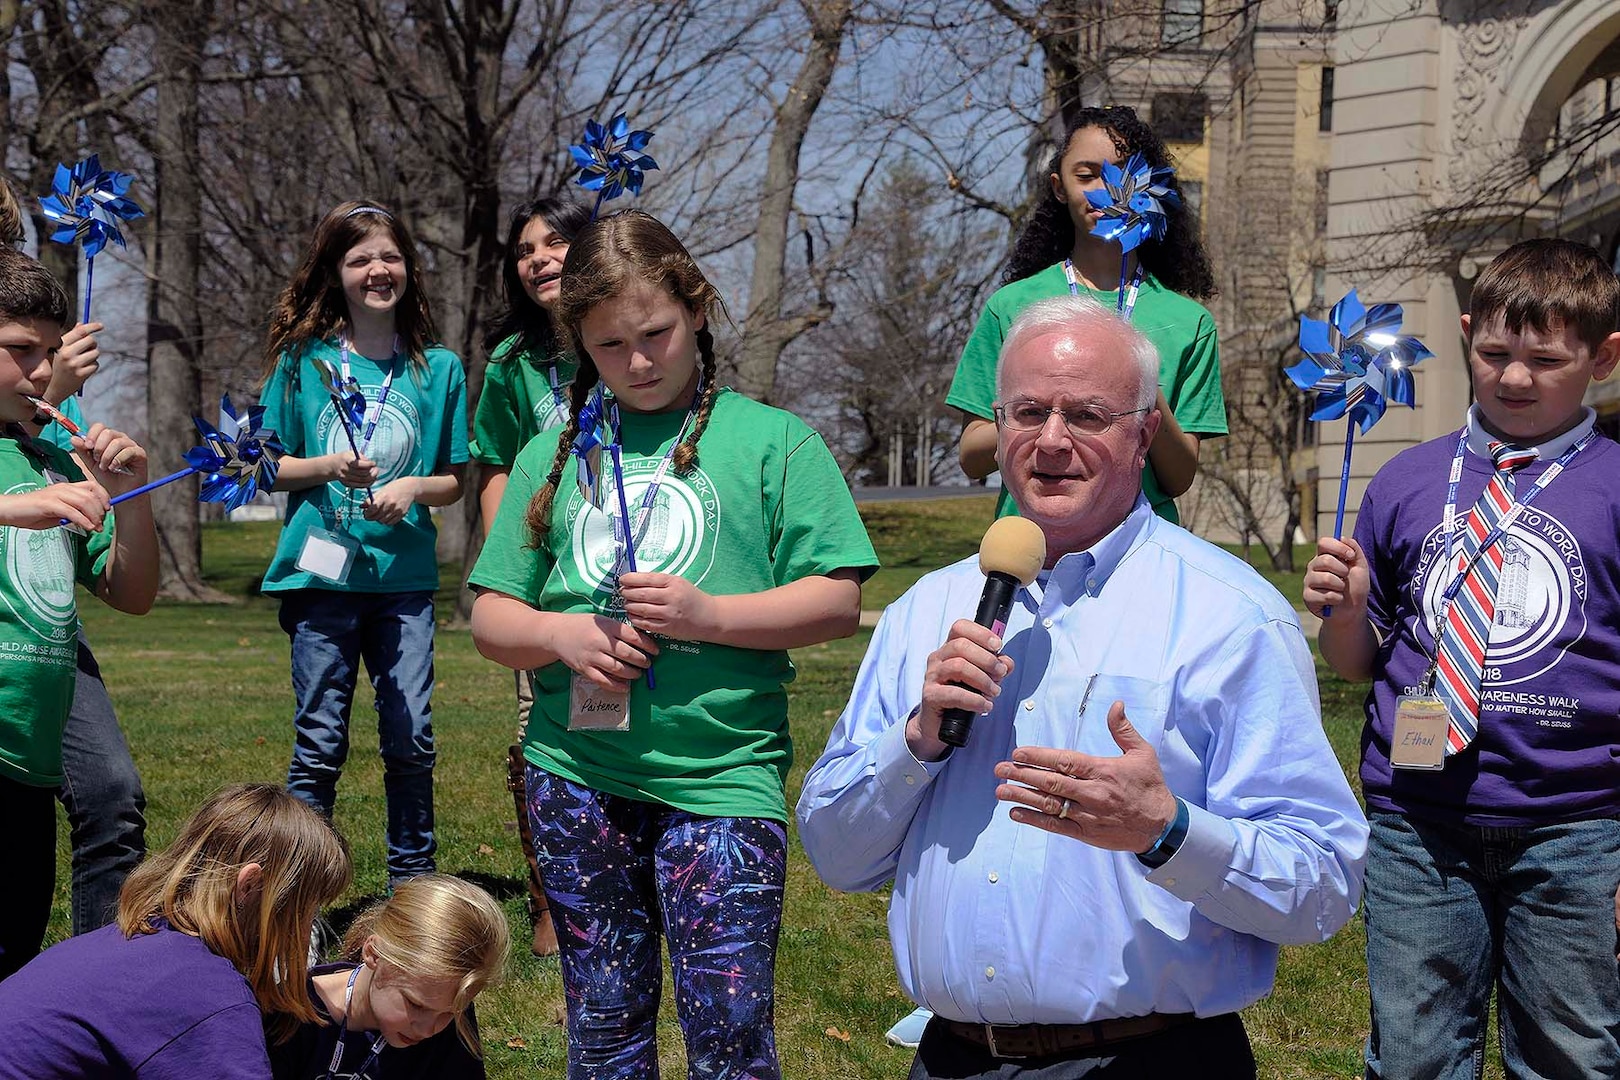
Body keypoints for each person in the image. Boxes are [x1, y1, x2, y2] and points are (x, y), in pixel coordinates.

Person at [799, 293, 1367, 1077]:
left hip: (1150, 1061)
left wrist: (1166, 832)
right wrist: (916, 742)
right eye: (1028, 412)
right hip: (952, 1061)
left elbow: (1324, 888)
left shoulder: (1230, 619)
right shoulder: (924, 611)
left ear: (1144, 435)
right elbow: (833, 857)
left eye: (1088, 415)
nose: (1052, 441)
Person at [469, 209, 878, 1079]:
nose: (640, 362)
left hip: (721, 780)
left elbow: (838, 599)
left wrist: (709, 615)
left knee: (729, 1034)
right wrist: (559, 633)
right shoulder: (556, 450)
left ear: (696, 309)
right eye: (611, 345)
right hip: (577, 778)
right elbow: (490, 620)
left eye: (655, 333)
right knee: (604, 1028)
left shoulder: (773, 442)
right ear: (580, 342)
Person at [1304, 238, 1620, 1079]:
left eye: (1546, 360)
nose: (1516, 379)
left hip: (1578, 827)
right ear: (1469, 335)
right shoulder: (1407, 478)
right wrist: (1343, 609)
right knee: (1412, 1050)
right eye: (1495, 353)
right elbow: (1359, 665)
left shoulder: (1617, 486)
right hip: (1419, 822)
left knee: (1573, 1051)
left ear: (1603, 358)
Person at [258, 200, 468, 888]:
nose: (377, 270)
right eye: (359, 260)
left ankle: (413, 891)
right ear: (336, 273)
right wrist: (326, 468)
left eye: (389, 257)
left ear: (407, 266)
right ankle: (301, 898)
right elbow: (263, 464)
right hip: (321, 582)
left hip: (401, 584)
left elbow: (452, 481)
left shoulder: (438, 369)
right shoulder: (304, 363)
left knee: (411, 741)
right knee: (320, 744)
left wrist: (409, 489)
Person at [947, 105, 1226, 525]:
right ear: (1059, 187)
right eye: (1086, 175)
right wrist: (1039, 414)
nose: (1104, 191)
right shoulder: (1009, 307)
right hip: (1030, 547)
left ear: (1149, 189)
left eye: (1122, 176)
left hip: (1139, 555)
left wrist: (1138, 380)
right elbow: (972, 457)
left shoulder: (1189, 322)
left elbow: (1178, 476)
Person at [0, 246, 159, 979]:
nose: (41, 372)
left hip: (32, 756)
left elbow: (132, 594)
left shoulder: (58, 461)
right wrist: (13, 509)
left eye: (51, 353)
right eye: (19, 350)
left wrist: (134, 494)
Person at [0, 783, 352, 1079]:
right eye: (306, 910)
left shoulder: (128, 940)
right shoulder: (211, 996)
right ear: (249, 887)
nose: (308, 930)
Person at [470, 195, 592, 959]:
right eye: (526, 250)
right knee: (536, 733)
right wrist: (509, 570)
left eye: (557, 243)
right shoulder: (514, 364)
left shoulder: (626, 341)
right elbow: (491, 464)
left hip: (627, 572)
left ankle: (623, 884)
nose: (540, 258)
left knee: (613, 724)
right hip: (543, 582)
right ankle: (551, 897)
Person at [269, 873, 508, 1079]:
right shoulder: (291, 1017)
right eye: (415, 1005)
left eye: (449, 1013)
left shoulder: (446, 1011)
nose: (427, 1029)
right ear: (373, 954)